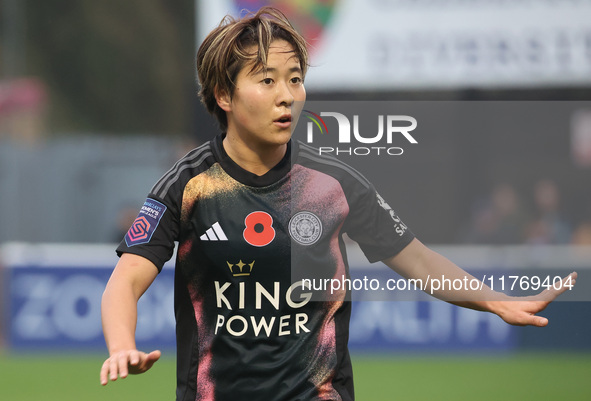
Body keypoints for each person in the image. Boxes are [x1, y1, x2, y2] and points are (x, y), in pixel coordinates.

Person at [99, 7, 577, 401]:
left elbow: (419, 261)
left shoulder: (334, 184)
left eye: (295, 79)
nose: (287, 96)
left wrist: (495, 300)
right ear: (223, 93)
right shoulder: (188, 185)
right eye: (267, 81)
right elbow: (125, 282)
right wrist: (122, 346)